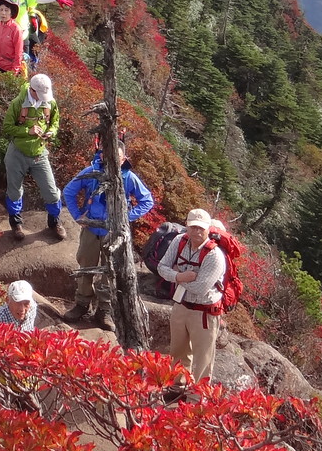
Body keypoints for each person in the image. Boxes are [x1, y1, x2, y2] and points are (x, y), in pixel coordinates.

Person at [61, 149, 156, 331]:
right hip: (90, 229)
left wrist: (125, 217)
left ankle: (104, 310)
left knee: (109, 270)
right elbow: (69, 191)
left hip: (113, 232)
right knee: (85, 265)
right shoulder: (91, 171)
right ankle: (82, 304)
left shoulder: (128, 177)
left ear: (123, 159)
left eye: (116, 156)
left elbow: (147, 200)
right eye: (107, 154)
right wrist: (78, 215)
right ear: (102, 155)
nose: (111, 158)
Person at [158, 209, 227, 382]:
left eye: (201, 228)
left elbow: (200, 288)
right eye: (193, 227)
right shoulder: (178, 241)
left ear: (208, 229)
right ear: (187, 227)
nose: (196, 231)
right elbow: (161, 267)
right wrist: (180, 276)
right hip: (181, 305)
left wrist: (174, 275)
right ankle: (178, 386)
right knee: (178, 352)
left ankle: (198, 399)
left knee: (203, 359)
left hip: (205, 312)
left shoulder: (215, 255)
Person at [0, 73, 62, 240]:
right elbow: (7, 127)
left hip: (39, 153)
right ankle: (16, 224)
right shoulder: (18, 103)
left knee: (52, 192)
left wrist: (52, 132)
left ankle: (54, 222)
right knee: (14, 191)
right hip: (17, 153)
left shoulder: (50, 103)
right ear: (32, 90)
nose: (43, 99)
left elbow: (55, 122)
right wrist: (27, 131)